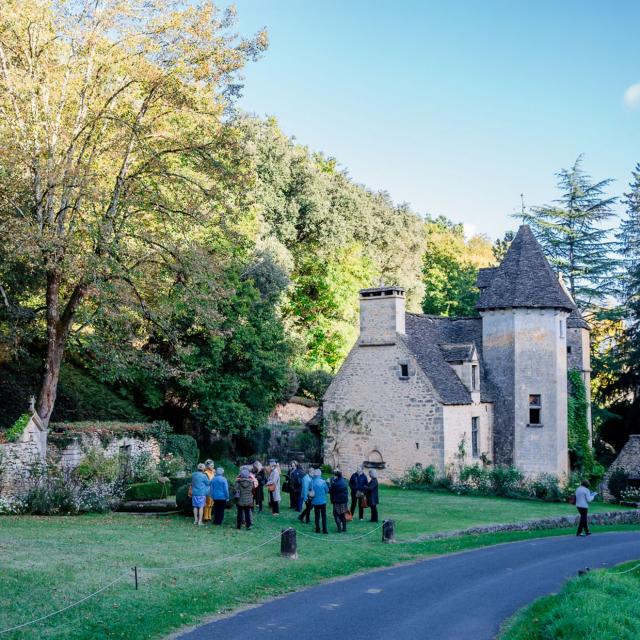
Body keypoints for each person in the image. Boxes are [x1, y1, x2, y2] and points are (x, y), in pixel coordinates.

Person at [310, 468, 329, 534]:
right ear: (320, 474)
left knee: (317, 515)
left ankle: (317, 529)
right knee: (323, 516)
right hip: (323, 501)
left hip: (315, 501)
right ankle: (325, 530)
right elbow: (327, 490)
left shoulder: (312, 481)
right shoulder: (323, 481)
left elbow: (310, 490)